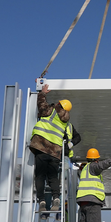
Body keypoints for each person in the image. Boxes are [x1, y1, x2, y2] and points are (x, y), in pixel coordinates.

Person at [29, 84, 81, 214]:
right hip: (55, 152)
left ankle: (42, 200)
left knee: (40, 175)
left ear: (59, 105)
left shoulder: (51, 111)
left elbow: (41, 105)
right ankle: (56, 198)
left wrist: (43, 92)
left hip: (41, 147)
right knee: (53, 177)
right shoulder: (65, 121)